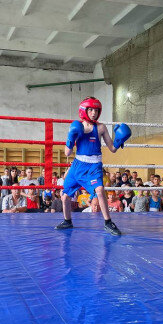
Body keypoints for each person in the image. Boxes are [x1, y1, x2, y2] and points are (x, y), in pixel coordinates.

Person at [55, 98, 130, 235]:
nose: (94, 113)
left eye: (96, 110)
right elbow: (67, 152)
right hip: (78, 165)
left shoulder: (101, 127)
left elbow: (112, 148)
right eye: (90, 110)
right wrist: (71, 137)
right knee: (65, 196)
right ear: (84, 110)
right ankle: (67, 221)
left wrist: (120, 140)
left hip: (94, 166)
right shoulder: (77, 127)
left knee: (100, 190)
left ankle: (108, 222)